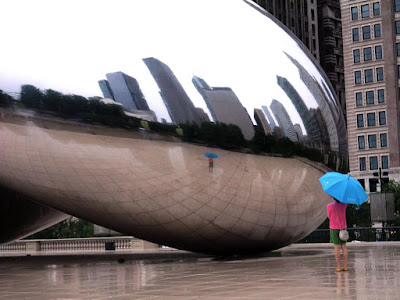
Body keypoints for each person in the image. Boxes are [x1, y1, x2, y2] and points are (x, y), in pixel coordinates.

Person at [327, 198, 348, 272]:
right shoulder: (344, 205)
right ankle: (345, 266)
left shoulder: (330, 206)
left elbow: (329, 216)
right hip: (343, 228)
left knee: (336, 247)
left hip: (334, 228)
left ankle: (339, 266)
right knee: (344, 247)